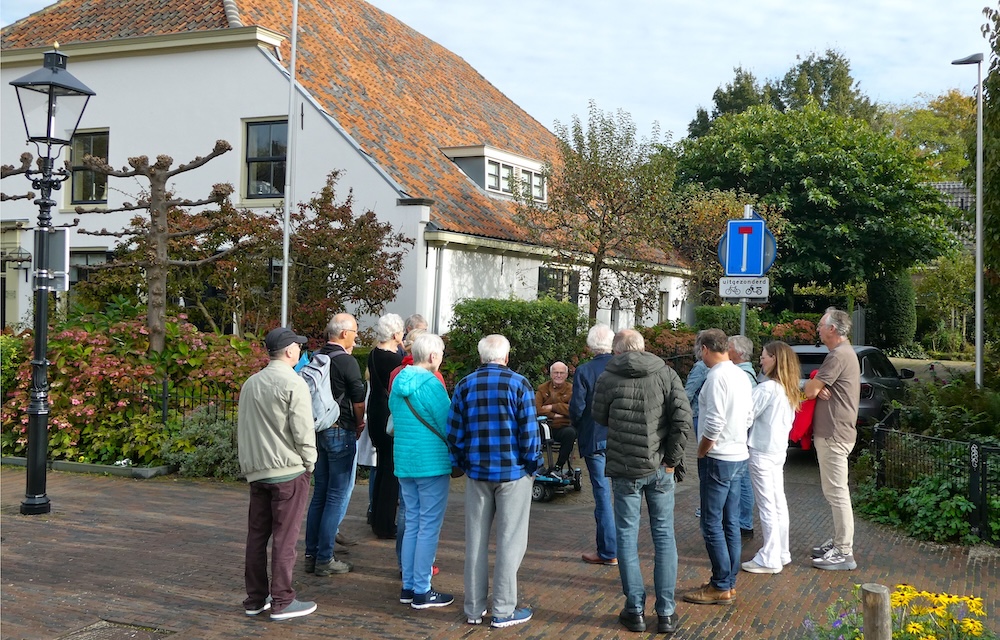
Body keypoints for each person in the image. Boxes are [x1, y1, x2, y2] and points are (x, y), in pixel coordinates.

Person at [593, 329, 691, 635]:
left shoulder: (608, 376)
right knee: (663, 535)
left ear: (617, 351)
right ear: (643, 348)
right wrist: (671, 460)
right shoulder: (666, 373)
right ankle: (666, 612)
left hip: (625, 467)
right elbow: (683, 420)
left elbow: (598, 416)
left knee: (626, 536)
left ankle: (634, 609)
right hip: (660, 467)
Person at [446, 334, 541, 629]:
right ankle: (502, 609)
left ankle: (473, 608)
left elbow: (454, 432)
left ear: (481, 356)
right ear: (507, 356)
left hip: (478, 472)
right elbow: (529, 431)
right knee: (510, 542)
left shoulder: (464, 384)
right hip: (512, 472)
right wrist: (532, 465)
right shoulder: (519, 384)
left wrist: (461, 464)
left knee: (475, 542)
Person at [238, 327, 317, 621]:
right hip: (288, 470)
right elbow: (302, 430)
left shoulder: (251, 383)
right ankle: (283, 599)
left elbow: (244, 427)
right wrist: (310, 461)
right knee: (285, 538)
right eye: (297, 346)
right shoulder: (293, 383)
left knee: (257, 537)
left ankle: (255, 598)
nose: (299, 350)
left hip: (257, 471)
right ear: (288, 351)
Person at [684, 328, 752, 607]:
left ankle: (721, 583)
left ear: (704, 349)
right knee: (730, 522)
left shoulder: (715, 379)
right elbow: (748, 415)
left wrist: (701, 451)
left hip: (719, 457)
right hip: (738, 454)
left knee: (711, 523)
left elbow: (712, 423)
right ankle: (727, 582)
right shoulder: (740, 373)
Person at [389, 333, 454, 610]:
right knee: (428, 526)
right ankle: (422, 590)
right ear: (432, 356)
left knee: (413, 523)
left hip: (405, 462)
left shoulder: (397, 383)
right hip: (431, 463)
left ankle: (409, 586)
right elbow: (448, 422)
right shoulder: (431, 384)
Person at [304, 313, 366, 577]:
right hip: (341, 431)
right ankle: (325, 558)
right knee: (335, 496)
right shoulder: (346, 361)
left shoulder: (317, 357)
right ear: (343, 334)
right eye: (354, 330)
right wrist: (360, 423)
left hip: (318, 430)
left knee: (319, 494)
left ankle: (311, 553)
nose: (356, 335)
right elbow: (358, 401)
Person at [804, 308, 861, 571]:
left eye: (820, 325)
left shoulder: (837, 356)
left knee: (837, 493)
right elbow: (816, 390)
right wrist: (818, 387)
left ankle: (844, 551)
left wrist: (813, 386)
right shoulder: (843, 353)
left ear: (833, 330)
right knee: (834, 491)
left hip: (834, 434)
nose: (817, 330)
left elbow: (810, 391)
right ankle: (839, 542)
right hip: (837, 432)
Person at [741, 341, 800, 574]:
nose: (761, 360)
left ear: (774, 358)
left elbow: (746, 414)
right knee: (777, 502)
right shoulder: (788, 388)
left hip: (762, 451)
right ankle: (781, 551)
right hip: (777, 451)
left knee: (767, 505)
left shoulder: (767, 388)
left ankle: (770, 557)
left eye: (764, 356)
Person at [571, 324, 618, 567]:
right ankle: (623, 547)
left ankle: (608, 550)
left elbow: (577, 408)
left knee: (602, 494)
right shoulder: (623, 368)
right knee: (623, 495)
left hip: (595, 438)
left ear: (590, 347)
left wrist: (579, 427)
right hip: (622, 439)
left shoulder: (585, 370)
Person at [367, 313, 405, 539]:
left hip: (375, 412)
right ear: (395, 334)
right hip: (388, 416)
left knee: (382, 469)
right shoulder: (392, 360)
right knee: (390, 472)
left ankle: (377, 517)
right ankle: (385, 524)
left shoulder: (373, 354)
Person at [728, 334, 758, 539]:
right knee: (742, 476)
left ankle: (744, 521)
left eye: (728, 347)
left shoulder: (743, 376)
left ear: (738, 353)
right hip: (743, 430)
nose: (725, 350)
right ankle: (742, 520)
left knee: (743, 477)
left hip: (741, 431)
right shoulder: (745, 374)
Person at [535, 361, 576, 477]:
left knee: (570, 433)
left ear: (566, 375)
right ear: (551, 374)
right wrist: (554, 415)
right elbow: (537, 409)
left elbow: (572, 410)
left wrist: (553, 407)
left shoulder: (572, 390)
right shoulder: (542, 389)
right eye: (556, 372)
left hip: (563, 426)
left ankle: (558, 467)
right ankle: (538, 467)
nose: (558, 375)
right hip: (544, 426)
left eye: (561, 373)